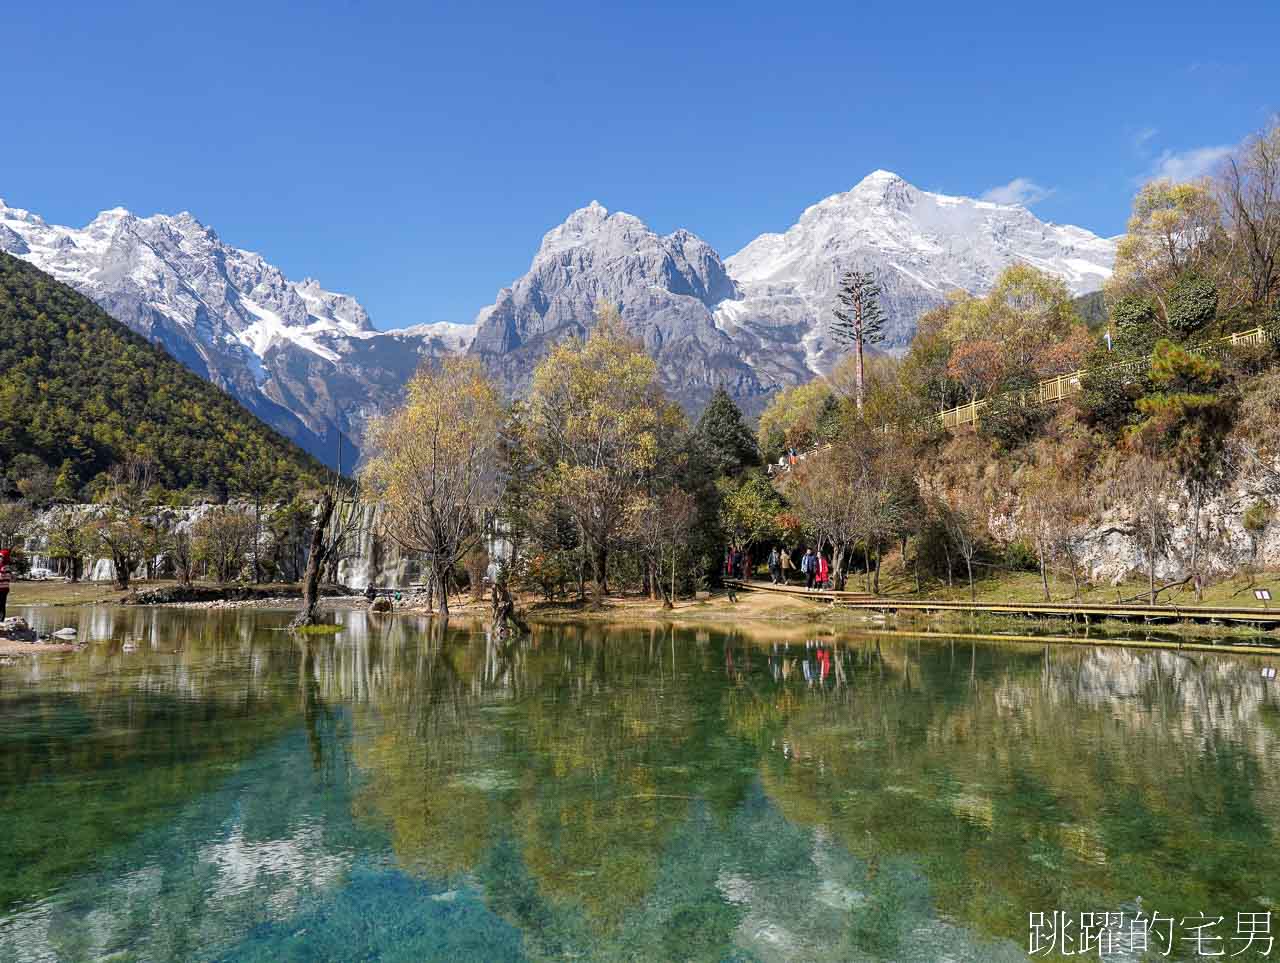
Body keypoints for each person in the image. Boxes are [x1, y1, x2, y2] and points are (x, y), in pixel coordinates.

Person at [0, 549, 11, 621]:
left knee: (1, 604)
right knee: (2, 604)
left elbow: (2, 577)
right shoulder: (3, 566)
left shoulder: (4, 567)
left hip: (2, 589)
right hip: (4, 588)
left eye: (1, 556)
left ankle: (1, 619)